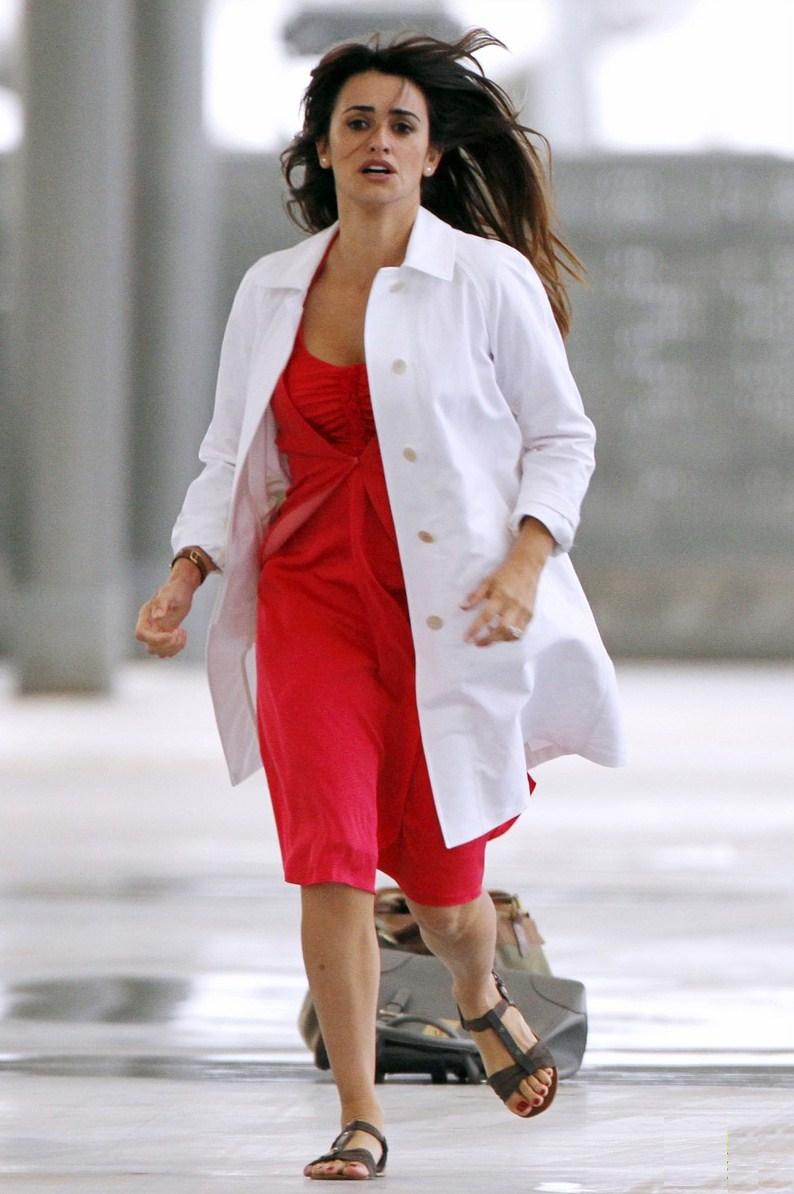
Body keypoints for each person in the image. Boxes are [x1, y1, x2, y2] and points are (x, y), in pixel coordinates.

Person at [135, 28, 626, 1182]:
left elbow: (560, 439)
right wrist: (187, 570)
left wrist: (523, 563)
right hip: (311, 602)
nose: (377, 141)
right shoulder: (272, 288)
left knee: (445, 894)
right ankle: (358, 1117)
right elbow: (230, 454)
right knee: (331, 863)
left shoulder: (486, 281)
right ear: (322, 146)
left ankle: (476, 985)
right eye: (354, 121)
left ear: (432, 155)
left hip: (443, 614)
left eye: (400, 125)